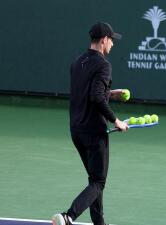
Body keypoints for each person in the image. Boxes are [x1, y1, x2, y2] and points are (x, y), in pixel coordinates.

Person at [52, 22, 129, 225]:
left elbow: (87, 94)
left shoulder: (77, 62)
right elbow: (95, 98)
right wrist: (116, 121)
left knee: (94, 179)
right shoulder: (104, 65)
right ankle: (68, 217)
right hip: (94, 132)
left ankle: (99, 223)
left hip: (76, 130)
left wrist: (110, 93)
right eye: (111, 40)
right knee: (98, 181)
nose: (113, 44)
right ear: (104, 40)